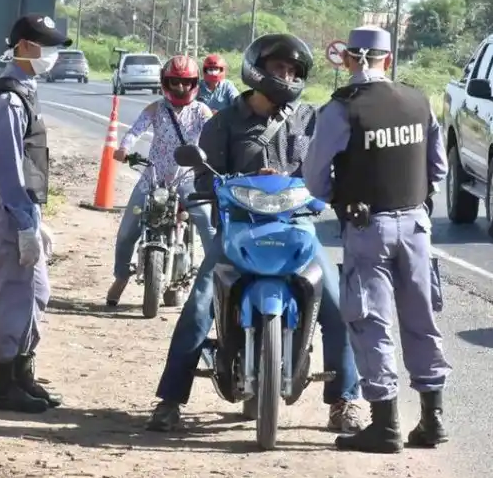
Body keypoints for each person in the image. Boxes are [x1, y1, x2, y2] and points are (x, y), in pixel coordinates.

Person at [146, 33, 364, 434]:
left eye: (293, 70)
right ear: (257, 70)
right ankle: (170, 400)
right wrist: (240, 182)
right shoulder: (225, 121)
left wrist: (326, 193)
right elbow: (204, 178)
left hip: (297, 226)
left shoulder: (309, 120)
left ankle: (345, 400)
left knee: (337, 305)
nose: (286, 75)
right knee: (198, 307)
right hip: (239, 228)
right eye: (279, 67)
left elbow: (326, 174)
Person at [303, 25, 451, 454]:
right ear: (388, 59)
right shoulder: (419, 101)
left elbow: (314, 179)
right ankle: (432, 420)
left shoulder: (342, 109)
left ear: (349, 59)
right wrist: (417, 203)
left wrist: (340, 199)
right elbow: (437, 169)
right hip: (417, 227)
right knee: (422, 318)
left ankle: (385, 426)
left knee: (371, 322)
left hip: (369, 228)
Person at [0, 14, 70, 413]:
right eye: (45, 45)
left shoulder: (24, 93)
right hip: (11, 212)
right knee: (13, 297)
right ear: (25, 47)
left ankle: (21, 375)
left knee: (35, 294)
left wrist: (34, 217)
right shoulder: (9, 101)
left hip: (23, 211)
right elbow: (6, 167)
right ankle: (1, 385)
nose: (51, 54)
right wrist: (24, 221)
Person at [106, 55, 218, 305]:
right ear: (165, 82)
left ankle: (215, 285)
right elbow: (135, 131)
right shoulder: (155, 108)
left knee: (209, 229)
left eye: (186, 82)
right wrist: (124, 148)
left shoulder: (201, 111)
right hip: (152, 179)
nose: (180, 87)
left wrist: (215, 157)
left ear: (194, 84)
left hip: (189, 179)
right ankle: (121, 278)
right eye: (174, 82)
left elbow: (214, 133)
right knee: (127, 231)